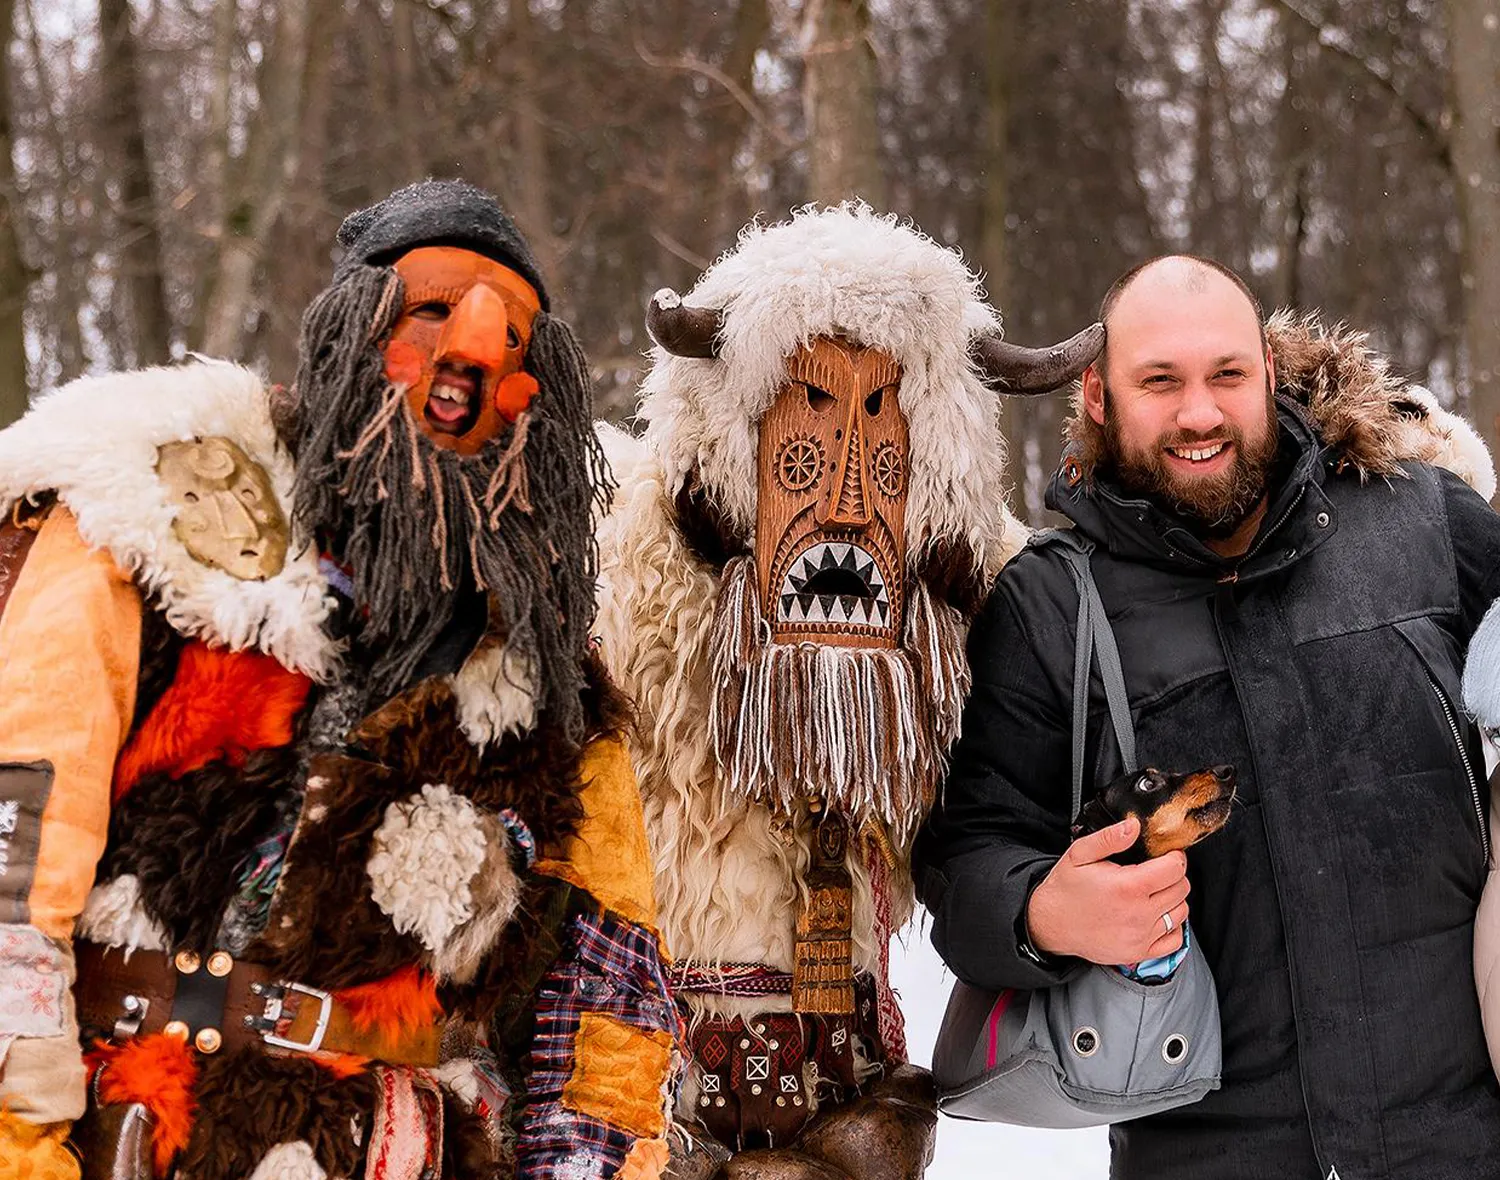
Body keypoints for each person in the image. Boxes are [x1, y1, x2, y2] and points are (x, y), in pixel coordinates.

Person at [0, 179, 675, 1179]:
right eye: (432, 308)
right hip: (131, 1124)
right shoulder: (147, 509)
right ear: (351, 335)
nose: (475, 351)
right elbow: (18, 844)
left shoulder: (554, 693)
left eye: (515, 339)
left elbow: (604, 1018)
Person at [914, 254, 1500, 1180]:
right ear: (1100, 399)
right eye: (1160, 382)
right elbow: (965, 864)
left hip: (1460, 1146)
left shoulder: (1425, 524)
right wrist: (1044, 912)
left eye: (1227, 374)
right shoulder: (1049, 608)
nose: (1200, 413)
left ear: (1269, 372)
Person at [593, 202, 1101, 1178]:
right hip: (650, 1103)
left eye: (885, 442)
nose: (845, 502)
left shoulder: (956, 611)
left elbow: (1095, 638)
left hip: (851, 1109)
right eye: (804, 439)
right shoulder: (633, 583)